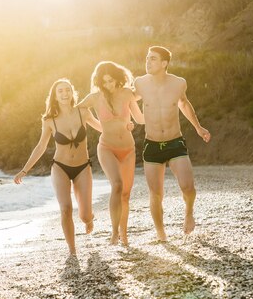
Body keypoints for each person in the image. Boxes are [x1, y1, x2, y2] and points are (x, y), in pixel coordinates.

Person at [14, 78, 102, 256]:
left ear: (72, 93)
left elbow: (102, 127)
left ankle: (89, 219)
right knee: (66, 208)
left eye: (67, 90)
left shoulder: (82, 112)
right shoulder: (49, 120)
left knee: (84, 215)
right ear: (55, 95)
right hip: (60, 167)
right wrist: (25, 170)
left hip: (83, 167)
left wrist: (123, 125)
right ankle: (72, 251)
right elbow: (40, 147)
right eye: (60, 91)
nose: (64, 93)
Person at [133, 46, 211, 241]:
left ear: (164, 63)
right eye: (147, 58)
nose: (148, 62)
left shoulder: (178, 83)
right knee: (156, 194)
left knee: (188, 187)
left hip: (175, 142)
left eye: (153, 59)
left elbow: (184, 103)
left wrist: (198, 128)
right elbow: (126, 100)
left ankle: (189, 212)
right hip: (152, 144)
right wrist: (129, 118)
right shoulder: (140, 83)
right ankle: (161, 234)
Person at [77, 61, 144, 246]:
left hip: (128, 149)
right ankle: (114, 233)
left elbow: (139, 118)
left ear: (117, 78)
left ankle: (124, 234)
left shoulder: (127, 93)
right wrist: (91, 121)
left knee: (125, 195)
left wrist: (159, 115)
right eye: (104, 82)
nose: (108, 85)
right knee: (117, 185)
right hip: (107, 147)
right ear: (99, 82)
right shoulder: (95, 97)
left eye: (111, 80)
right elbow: (76, 112)